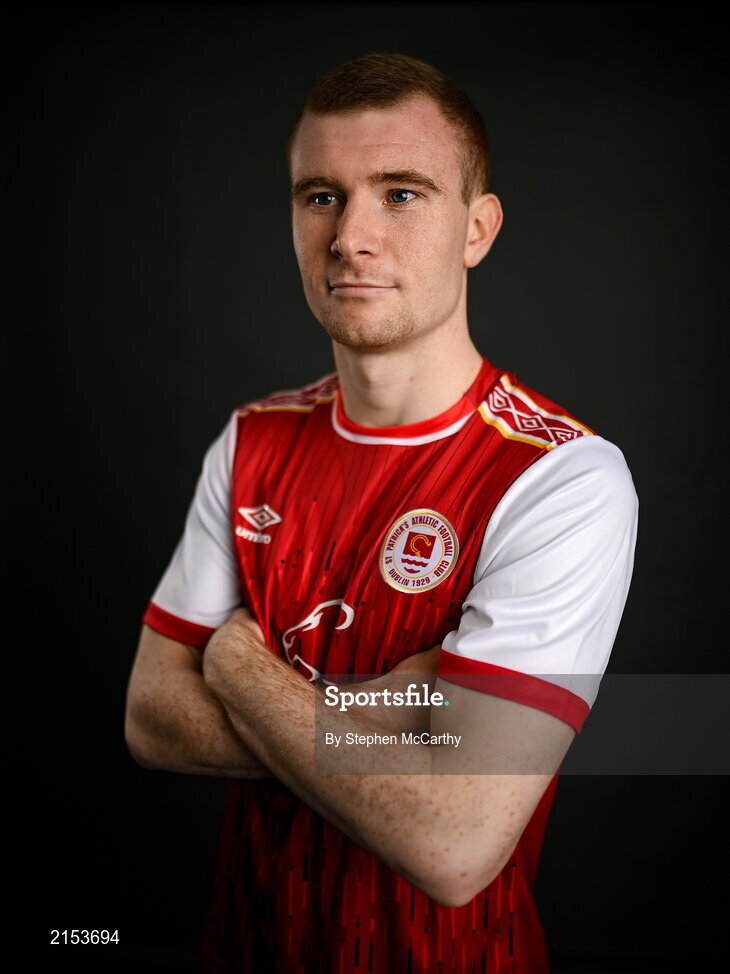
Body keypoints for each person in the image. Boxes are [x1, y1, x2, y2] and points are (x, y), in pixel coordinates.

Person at [125, 53, 638, 973]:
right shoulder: (251, 441)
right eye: (320, 195)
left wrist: (239, 667)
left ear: (478, 228)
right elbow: (151, 719)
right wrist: (397, 710)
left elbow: (455, 841)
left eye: (401, 194)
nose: (351, 236)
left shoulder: (562, 478)